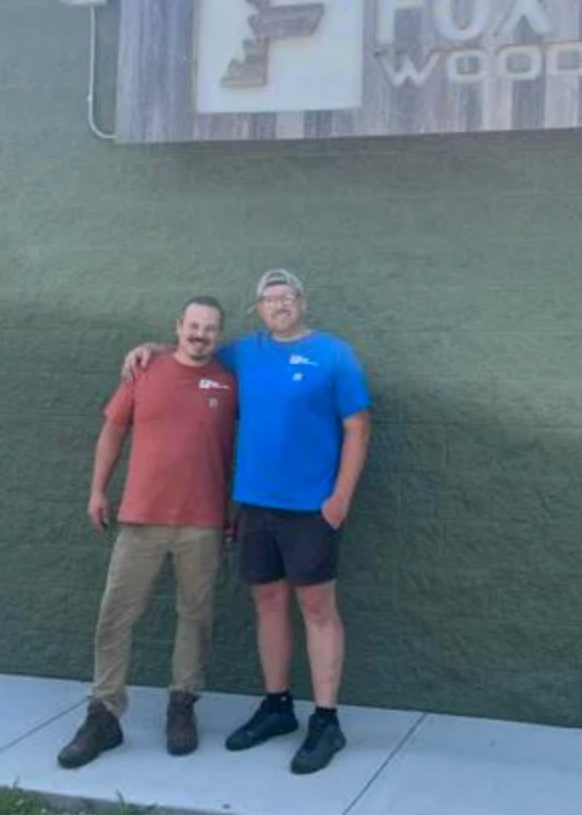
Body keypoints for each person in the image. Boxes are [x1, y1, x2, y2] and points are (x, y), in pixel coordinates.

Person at [123, 270, 371, 775]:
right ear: (257, 308)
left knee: (318, 607)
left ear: (303, 302)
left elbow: (357, 426)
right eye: (269, 298)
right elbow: (192, 354)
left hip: (312, 509)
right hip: (255, 506)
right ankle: (277, 706)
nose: (279, 304)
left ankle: (326, 722)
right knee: (268, 602)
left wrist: (340, 497)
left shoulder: (334, 355)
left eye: (288, 296)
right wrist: (148, 347)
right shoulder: (242, 354)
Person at [58, 297, 237, 769]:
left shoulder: (230, 378)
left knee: (195, 618)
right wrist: (98, 491)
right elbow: (113, 431)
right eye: (193, 325)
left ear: (219, 335)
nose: (201, 334)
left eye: (210, 328)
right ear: (178, 326)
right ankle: (104, 715)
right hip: (140, 519)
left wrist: (238, 506)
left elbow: (255, 441)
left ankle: (182, 705)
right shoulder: (144, 369)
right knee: (114, 616)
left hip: (203, 521)